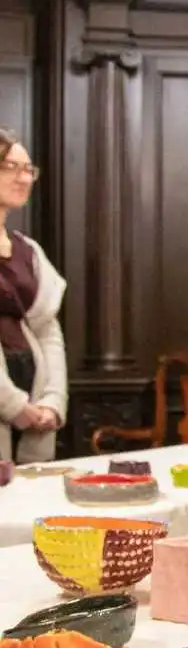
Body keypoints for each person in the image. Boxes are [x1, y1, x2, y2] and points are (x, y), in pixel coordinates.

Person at [0, 130, 66, 464]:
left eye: (29, 169)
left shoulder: (29, 250)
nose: (24, 177)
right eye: (12, 166)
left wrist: (52, 402)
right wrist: (12, 405)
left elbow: (47, 330)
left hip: (32, 394)